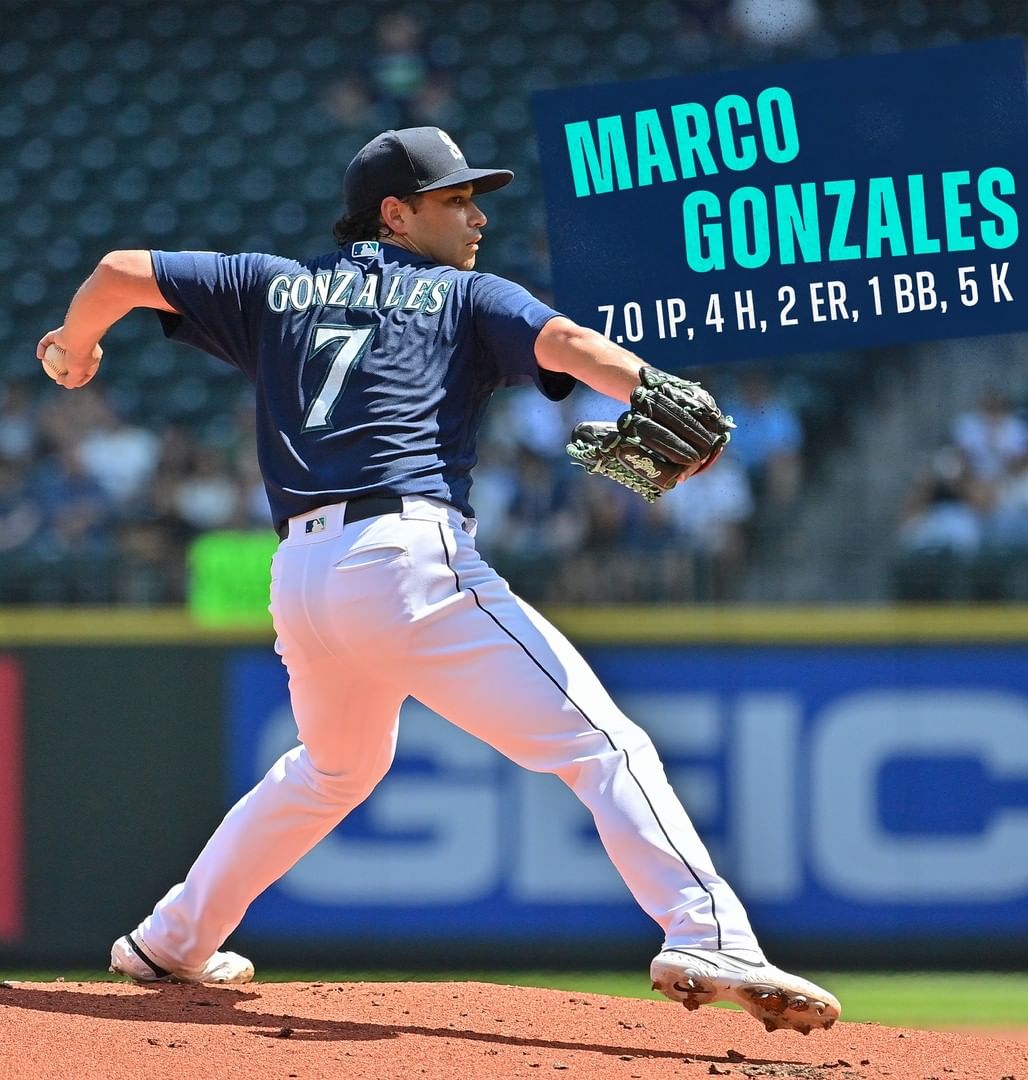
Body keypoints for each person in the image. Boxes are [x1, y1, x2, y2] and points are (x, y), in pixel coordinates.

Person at [38, 126, 839, 1034]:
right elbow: (566, 342)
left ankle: (173, 940)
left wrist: (74, 348)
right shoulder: (463, 294)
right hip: (405, 560)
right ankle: (710, 934)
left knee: (335, 767)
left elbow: (120, 271)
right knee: (603, 747)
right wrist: (650, 383)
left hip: (301, 575)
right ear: (395, 213)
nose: (476, 216)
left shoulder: (270, 284)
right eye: (455, 200)